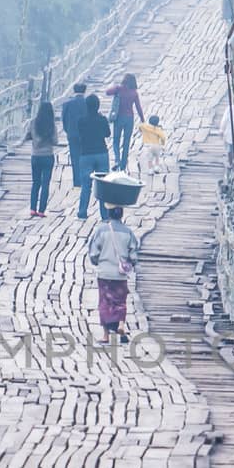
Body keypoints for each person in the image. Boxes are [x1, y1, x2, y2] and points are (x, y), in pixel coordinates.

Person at [87, 205, 140, 345]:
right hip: (120, 274)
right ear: (121, 215)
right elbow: (134, 254)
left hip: (104, 272)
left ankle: (105, 336)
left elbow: (93, 252)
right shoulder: (128, 232)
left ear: (109, 214)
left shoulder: (101, 230)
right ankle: (121, 324)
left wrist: (97, 261)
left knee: (105, 302)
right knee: (120, 301)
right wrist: (130, 263)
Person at [76, 93, 112, 220]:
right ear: (98, 106)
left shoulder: (81, 120)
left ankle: (82, 211)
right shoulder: (102, 119)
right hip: (101, 153)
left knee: (86, 185)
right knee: (102, 185)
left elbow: (79, 134)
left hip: (86, 154)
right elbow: (108, 134)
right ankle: (105, 214)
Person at [105, 72, 144, 170]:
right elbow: (138, 107)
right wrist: (142, 120)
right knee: (126, 142)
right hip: (129, 119)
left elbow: (107, 92)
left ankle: (117, 160)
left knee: (116, 141)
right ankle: (123, 165)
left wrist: (113, 85)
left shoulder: (118, 89)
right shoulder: (134, 92)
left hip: (118, 118)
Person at [27, 99, 58, 217]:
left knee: (35, 183)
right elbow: (55, 141)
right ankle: (41, 210)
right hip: (48, 156)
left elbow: (31, 137)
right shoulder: (52, 125)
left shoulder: (33, 123)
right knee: (45, 184)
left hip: (35, 156)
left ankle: (32, 209)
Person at [60, 82, 88, 188]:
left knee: (74, 157)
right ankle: (84, 179)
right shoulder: (87, 103)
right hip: (85, 135)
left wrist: (68, 130)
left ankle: (76, 181)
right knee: (84, 156)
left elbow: (64, 119)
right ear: (84, 91)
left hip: (72, 134)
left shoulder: (67, 104)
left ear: (74, 90)